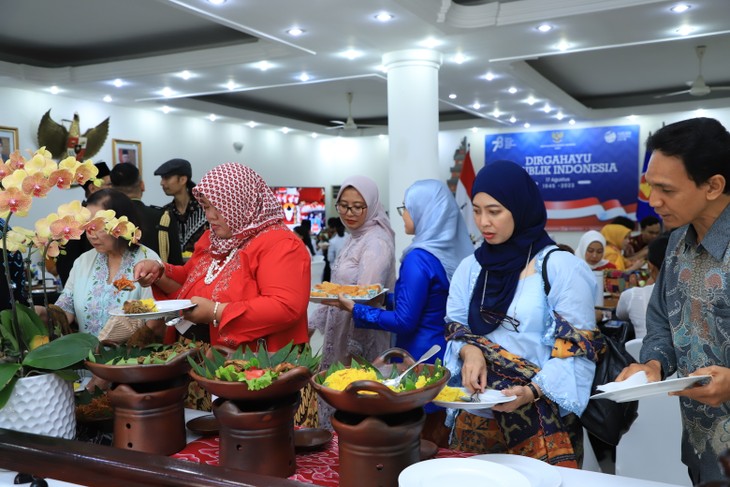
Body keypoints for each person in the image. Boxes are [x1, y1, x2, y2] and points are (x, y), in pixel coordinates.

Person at [444, 160, 599, 467]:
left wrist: (531, 391)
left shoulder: (560, 268)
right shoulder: (471, 268)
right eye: (476, 210)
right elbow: (456, 326)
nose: (483, 222)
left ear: (520, 207)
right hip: (477, 416)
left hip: (540, 418)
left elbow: (577, 349)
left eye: (495, 211)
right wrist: (470, 351)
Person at [616, 117, 730, 484]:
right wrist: (653, 365)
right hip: (701, 448)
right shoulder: (678, 245)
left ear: (713, 186)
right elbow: (662, 320)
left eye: (666, 189)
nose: (653, 201)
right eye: (651, 186)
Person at [323, 179, 473, 446]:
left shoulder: (419, 258)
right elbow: (424, 303)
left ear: (425, 211)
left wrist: (357, 309)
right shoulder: (444, 254)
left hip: (417, 355)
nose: (403, 213)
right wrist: (385, 298)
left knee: (420, 438)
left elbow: (404, 321)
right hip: (441, 349)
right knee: (437, 433)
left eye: (407, 207)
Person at [134, 162, 310, 352]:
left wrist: (217, 312)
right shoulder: (215, 239)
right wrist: (160, 272)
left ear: (241, 204)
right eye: (206, 207)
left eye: (217, 208)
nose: (209, 216)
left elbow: (285, 307)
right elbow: (189, 277)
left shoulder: (280, 244)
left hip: (251, 363)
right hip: (198, 356)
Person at [308, 175, 396, 428]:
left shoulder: (376, 241)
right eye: (344, 205)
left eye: (358, 206)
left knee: (354, 403)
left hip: (359, 334)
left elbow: (365, 295)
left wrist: (351, 345)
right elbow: (339, 289)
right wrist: (312, 324)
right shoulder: (355, 236)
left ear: (372, 204)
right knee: (339, 396)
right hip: (342, 327)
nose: (350, 212)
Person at [53, 189, 163, 338]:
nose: (91, 234)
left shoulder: (147, 260)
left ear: (121, 225)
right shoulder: (83, 262)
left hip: (134, 357)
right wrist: (41, 316)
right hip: (86, 357)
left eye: (98, 226)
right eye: (87, 225)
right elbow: (65, 310)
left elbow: (155, 319)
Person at [110, 162, 183, 265]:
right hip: (156, 280)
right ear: (142, 185)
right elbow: (176, 264)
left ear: (111, 191)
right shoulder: (163, 218)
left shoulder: (106, 220)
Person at [55, 161, 111, 285]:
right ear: (93, 188)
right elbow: (67, 262)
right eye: (109, 184)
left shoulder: (109, 214)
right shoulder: (77, 218)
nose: (112, 189)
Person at [615, 232, 670, 339]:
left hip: (639, 353)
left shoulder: (632, 295)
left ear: (650, 267)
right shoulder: (698, 296)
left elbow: (620, 315)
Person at [154, 158, 208, 255]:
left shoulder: (205, 209)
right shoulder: (165, 213)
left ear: (183, 179)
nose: (162, 183)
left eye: (166, 177)